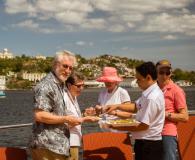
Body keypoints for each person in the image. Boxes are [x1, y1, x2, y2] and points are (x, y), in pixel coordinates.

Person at [30, 50, 83, 160]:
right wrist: (66, 119)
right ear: (55, 65)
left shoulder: (58, 85)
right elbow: (39, 115)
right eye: (65, 66)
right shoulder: (46, 85)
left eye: (70, 68)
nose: (68, 71)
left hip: (57, 146)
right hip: (48, 146)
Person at [105, 62, 165, 160]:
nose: (136, 82)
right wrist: (116, 106)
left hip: (149, 145)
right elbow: (136, 107)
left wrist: (116, 126)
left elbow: (143, 125)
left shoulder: (152, 97)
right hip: (144, 143)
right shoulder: (148, 93)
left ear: (148, 78)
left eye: (139, 79)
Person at [156, 59, 189, 160]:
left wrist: (165, 114)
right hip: (152, 133)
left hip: (167, 133)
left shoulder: (176, 90)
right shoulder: (152, 89)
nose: (164, 75)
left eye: (167, 72)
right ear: (155, 73)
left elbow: (185, 117)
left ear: (171, 73)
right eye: (161, 72)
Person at [64, 72, 98, 160]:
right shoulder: (64, 99)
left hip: (74, 141)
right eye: (78, 86)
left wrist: (85, 114)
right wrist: (85, 119)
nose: (81, 88)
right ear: (69, 85)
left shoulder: (73, 96)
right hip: (68, 143)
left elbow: (73, 116)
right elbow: (63, 123)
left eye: (83, 85)